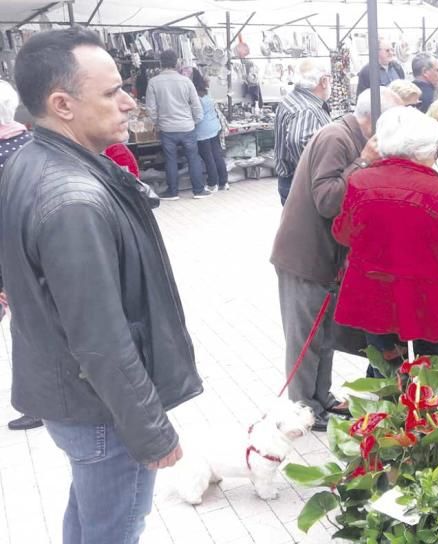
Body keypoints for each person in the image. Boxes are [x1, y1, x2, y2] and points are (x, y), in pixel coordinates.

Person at [1, 28, 201, 542]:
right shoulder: (71, 199)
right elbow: (101, 339)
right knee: (113, 529)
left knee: (91, 518)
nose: (130, 102)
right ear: (62, 104)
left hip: (76, 397)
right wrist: (151, 431)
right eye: (112, 92)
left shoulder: (36, 161)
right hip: (103, 410)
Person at [271, 87, 402, 430]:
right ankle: (303, 410)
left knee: (323, 334)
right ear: (373, 119)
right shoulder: (336, 138)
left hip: (323, 257)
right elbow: (328, 200)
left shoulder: (347, 135)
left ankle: (320, 399)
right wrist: (364, 162)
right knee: (305, 338)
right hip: (305, 256)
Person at [333, 106, 438, 362]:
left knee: (384, 370)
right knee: (437, 376)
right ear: (426, 149)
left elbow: (343, 233)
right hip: (428, 299)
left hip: (374, 293)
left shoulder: (359, 182)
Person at [0, 80, 42, 432]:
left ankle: (38, 402)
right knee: (35, 326)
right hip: (38, 249)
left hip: (9, 256)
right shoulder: (33, 143)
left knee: (27, 330)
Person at [146, 49, 209, 200]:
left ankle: (173, 192)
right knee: (193, 158)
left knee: (170, 160)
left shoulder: (153, 82)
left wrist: (157, 123)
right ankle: (198, 190)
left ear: (161, 63)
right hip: (187, 127)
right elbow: (196, 106)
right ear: (176, 63)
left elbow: (151, 109)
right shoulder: (186, 81)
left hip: (167, 129)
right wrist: (195, 121)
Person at [274, 59, 332, 204]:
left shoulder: (294, 98)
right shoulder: (306, 109)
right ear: (323, 81)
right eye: (330, 79)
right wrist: (315, 175)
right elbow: (298, 141)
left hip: (291, 183)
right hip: (301, 186)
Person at [190, 69, 229, 192]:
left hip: (203, 130)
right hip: (214, 126)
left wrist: (190, 123)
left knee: (208, 157)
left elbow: (198, 115)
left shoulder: (195, 96)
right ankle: (224, 182)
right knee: (217, 155)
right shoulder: (206, 92)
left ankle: (213, 183)